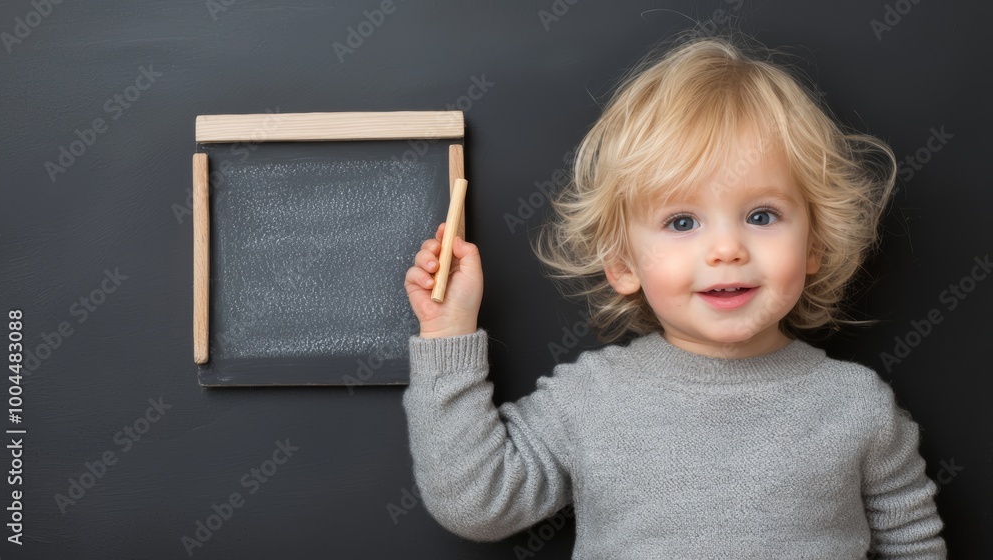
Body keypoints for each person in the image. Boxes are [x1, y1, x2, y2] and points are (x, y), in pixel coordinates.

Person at [402, 34, 946, 558]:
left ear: (814, 244)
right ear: (622, 263)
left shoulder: (857, 405)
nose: (727, 249)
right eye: (682, 221)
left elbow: (914, 543)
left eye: (762, 216)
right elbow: (477, 504)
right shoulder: (592, 398)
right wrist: (448, 334)